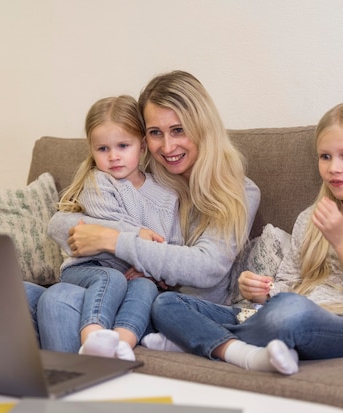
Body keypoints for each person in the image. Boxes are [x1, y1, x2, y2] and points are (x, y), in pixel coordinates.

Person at [144, 100, 343, 376]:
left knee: (290, 311)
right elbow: (287, 285)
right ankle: (236, 350)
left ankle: (197, 339)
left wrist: (342, 241)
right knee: (165, 303)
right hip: (280, 314)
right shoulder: (309, 218)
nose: (333, 168)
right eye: (325, 156)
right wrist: (263, 294)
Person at [35, 70, 261, 354]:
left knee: (59, 298)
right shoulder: (145, 172)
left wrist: (112, 240)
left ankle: (82, 383)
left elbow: (206, 268)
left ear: (203, 127)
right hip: (124, 292)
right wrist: (127, 237)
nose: (167, 147)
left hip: (176, 309)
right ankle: (71, 388)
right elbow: (59, 224)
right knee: (39, 294)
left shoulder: (238, 190)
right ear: (143, 140)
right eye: (156, 133)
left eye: (178, 130)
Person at [42, 95, 184, 361]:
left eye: (122, 145)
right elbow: (109, 236)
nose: (114, 157)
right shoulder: (98, 182)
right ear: (92, 150)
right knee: (112, 277)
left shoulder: (167, 195)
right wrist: (140, 238)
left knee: (146, 289)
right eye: (103, 149)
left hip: (137, 280)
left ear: (142, 146)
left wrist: (150, 273)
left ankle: (121, 343)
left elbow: (172, 247)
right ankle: (92, 339)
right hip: (89, 270)